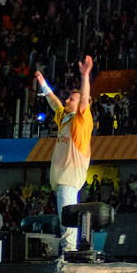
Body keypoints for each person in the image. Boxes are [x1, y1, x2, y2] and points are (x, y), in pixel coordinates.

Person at [35, 56, 94, 237]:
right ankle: (69, 252)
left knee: (67, 217)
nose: (67, 100)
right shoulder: (65, 118)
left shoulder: (82, 121)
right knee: (65, 216)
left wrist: (85, 76)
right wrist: (43, 83)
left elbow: (84, 100)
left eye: (71, 99)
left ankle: (69, 253)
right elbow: (54, 102)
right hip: (62, 180)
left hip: (69, 179)